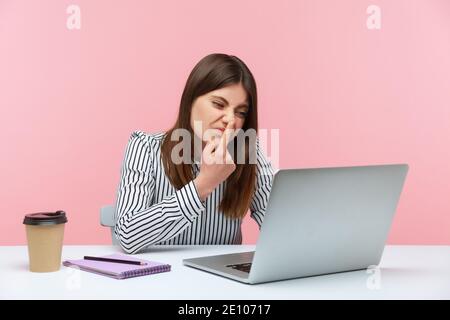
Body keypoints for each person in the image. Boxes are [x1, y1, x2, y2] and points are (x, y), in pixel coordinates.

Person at [114, 53, 274, 254]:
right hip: (157, 277)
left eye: (240, 112)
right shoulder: (145, 148)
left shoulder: (249, 152)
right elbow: (128, 236)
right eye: (218, 104)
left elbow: (280, 226)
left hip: (223, 282)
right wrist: (203, 185)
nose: (230, 120)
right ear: (190, 100)